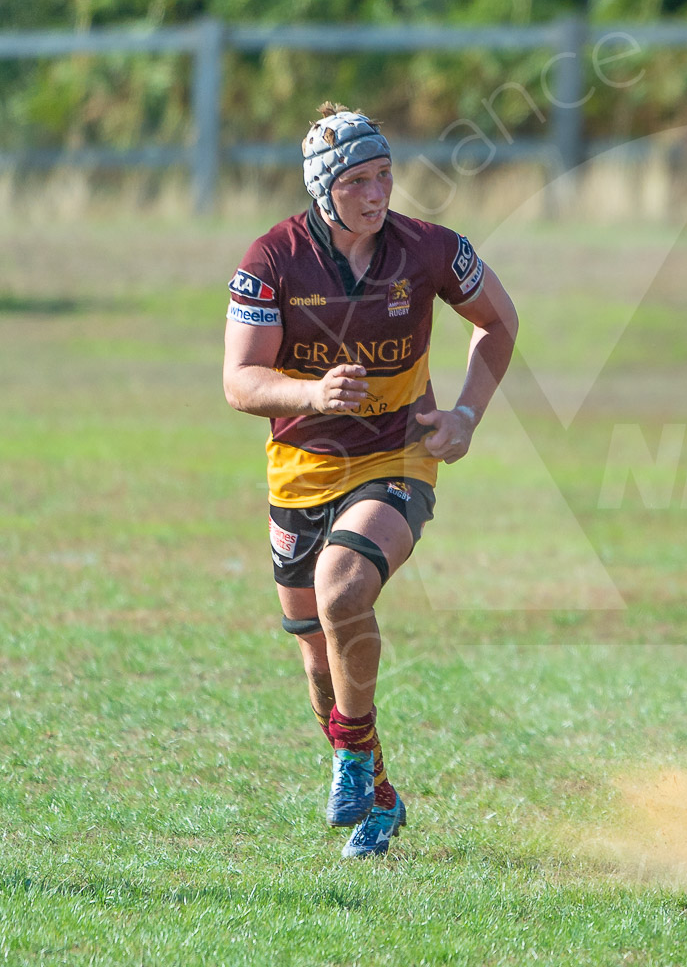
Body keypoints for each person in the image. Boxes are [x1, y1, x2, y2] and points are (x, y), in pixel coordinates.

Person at [222, 102, 519, 858]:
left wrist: (465, 417)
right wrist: (310, 394)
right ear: (324, 190)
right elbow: (240, 381)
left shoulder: (428, 249)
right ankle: (379, 792)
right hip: (299, 472)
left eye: (384, 176)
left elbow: (500, 322)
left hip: (397, 457)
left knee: (343, 589)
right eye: (357, 181)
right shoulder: (270, 259)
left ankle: (350, 761)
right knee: (321, 667)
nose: (377, 193)